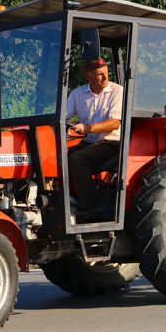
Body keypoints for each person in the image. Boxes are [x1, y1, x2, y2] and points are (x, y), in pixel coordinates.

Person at [66, 58, 124, 222]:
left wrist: (88, 128)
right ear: (88, 76)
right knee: (59, 156)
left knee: (77, 159)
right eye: (100, 75)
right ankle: (68, 200)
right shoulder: (78, 94)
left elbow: (114, 123)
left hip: (111, 143)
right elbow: (62, 116)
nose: (105, 78)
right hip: (91, 143)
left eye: (106, 73)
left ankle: (91, 208)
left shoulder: (117, 91)